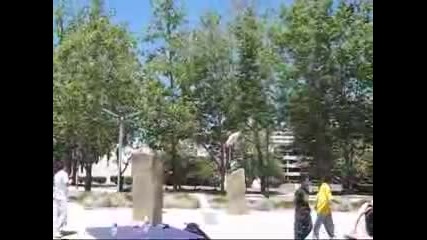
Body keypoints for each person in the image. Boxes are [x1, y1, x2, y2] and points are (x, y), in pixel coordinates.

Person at [313, 175, 339, 239]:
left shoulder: (322, 186)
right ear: (329, 181)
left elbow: (317, 196)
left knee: (327, 223)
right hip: (323, 208)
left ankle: (331, 235)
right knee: (321, 223)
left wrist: (315, 205)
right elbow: (330, 198)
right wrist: (338, 202)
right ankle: (316, 236)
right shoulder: (327, 187)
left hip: (323, 208)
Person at [53, 160, 71, 238]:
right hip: (62, 197)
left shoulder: (56, 174)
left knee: (56, 214)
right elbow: (66, 183)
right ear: (62, 166)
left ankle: (57, 229)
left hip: (56, 196)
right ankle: (56, 230)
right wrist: (71, 181)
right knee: (63, 214)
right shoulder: (64, 174)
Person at [294, 175, 313, 240]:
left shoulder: (304, 190)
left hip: (305, 214)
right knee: (300, 231)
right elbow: (304, 200)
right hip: (301, 214)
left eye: (308, 181)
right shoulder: (300, 191)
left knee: (309, 228)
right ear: (302, 182)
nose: (308, 182)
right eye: (306, 181)